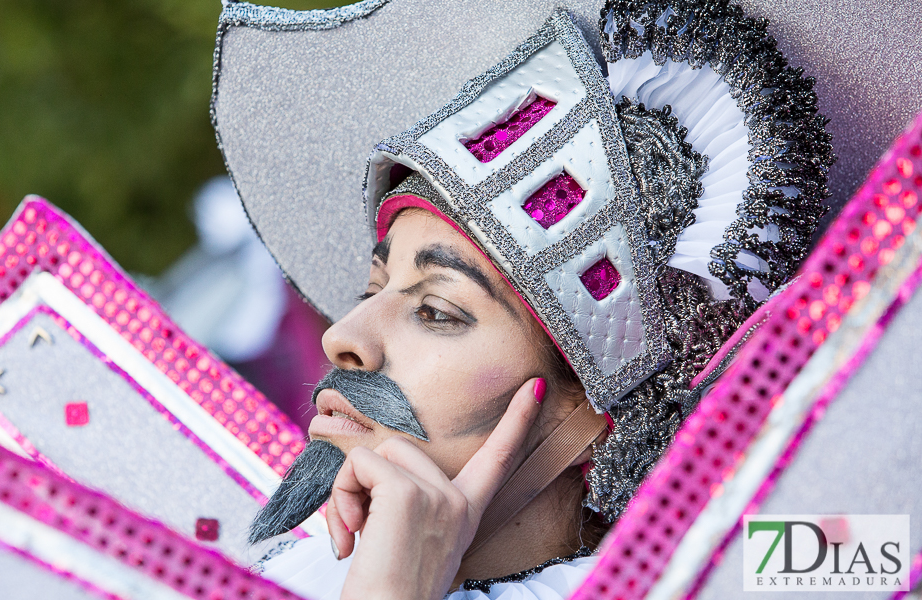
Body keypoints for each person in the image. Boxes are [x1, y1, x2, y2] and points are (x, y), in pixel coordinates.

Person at [212, 0, 834, 597]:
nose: (341, 336)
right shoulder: (284, 568)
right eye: (372, 289)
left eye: (436, 311)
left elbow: (862, 553)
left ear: (593, 418)